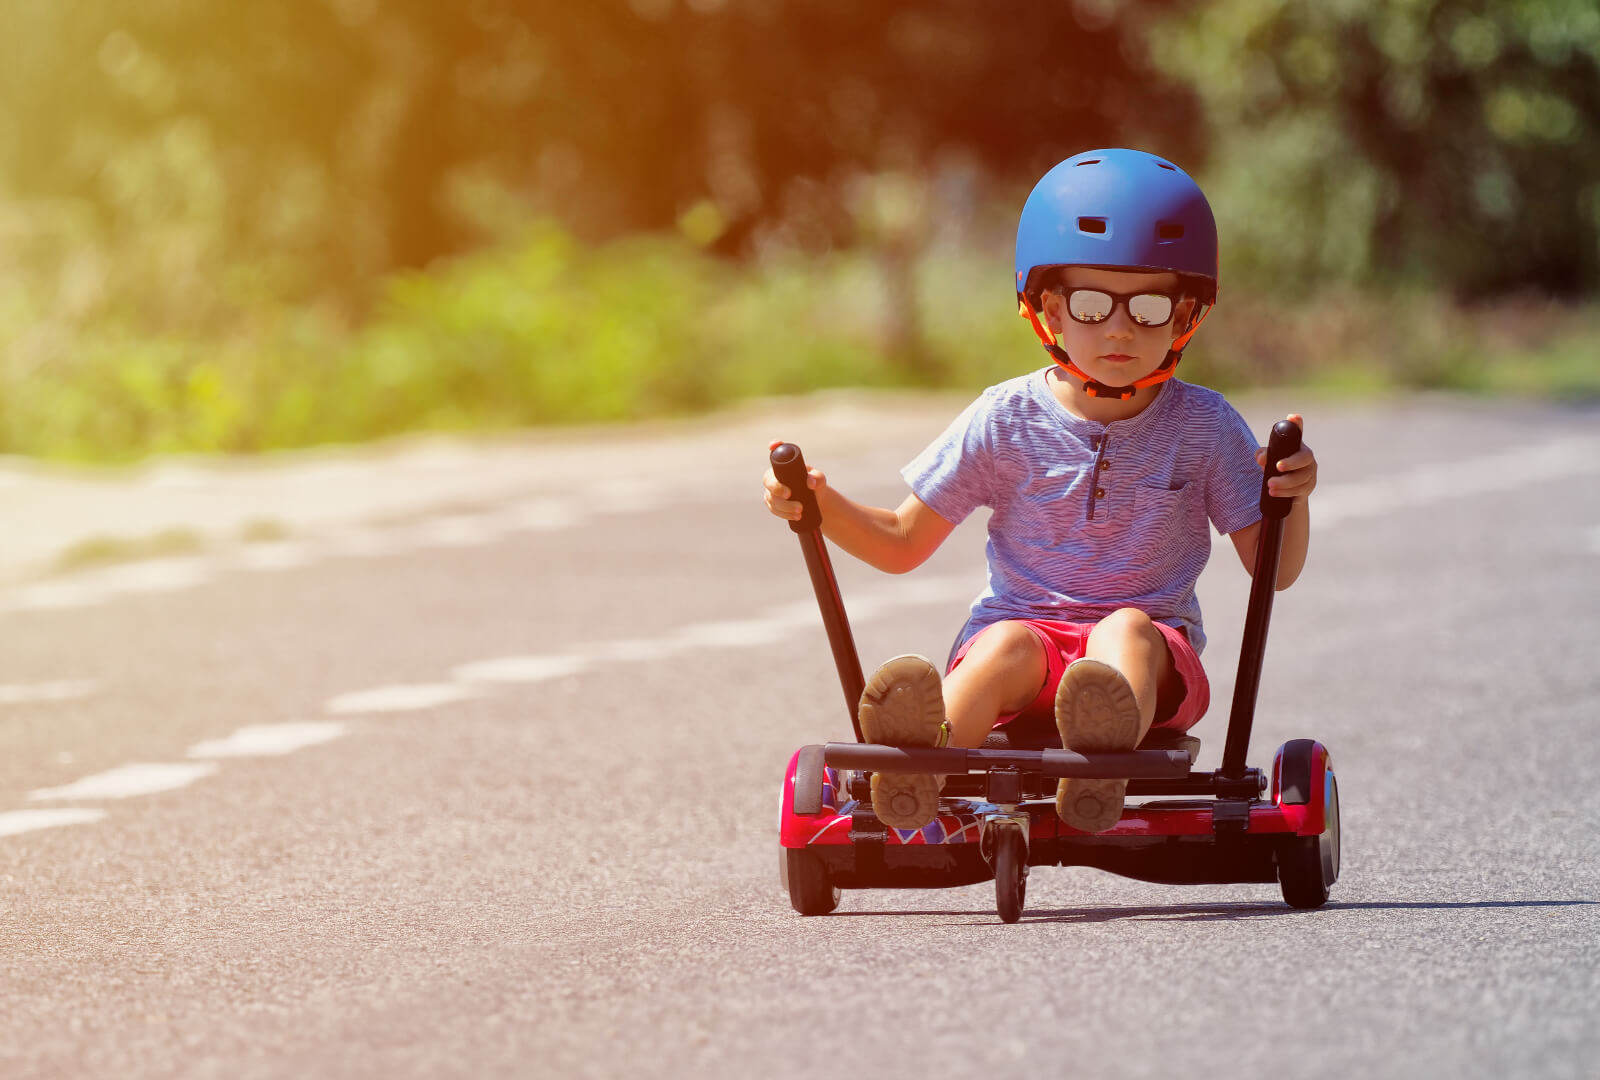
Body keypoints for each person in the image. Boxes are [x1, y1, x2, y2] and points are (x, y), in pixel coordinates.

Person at [762, 148, 1318, 834]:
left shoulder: (1205, 426)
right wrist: (819, 504)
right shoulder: (1006, 417)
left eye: (1147, 306)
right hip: (1028, 647)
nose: (1118, 327)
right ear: (1049, 308)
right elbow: (902, 543)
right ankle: (919, 765)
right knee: (1000, 644)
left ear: (1184, 315)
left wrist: (1289, 499)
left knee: (1126, 631)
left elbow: (1275, 571)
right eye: (1091, 303)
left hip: (1151, 662)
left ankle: (1099, 762)